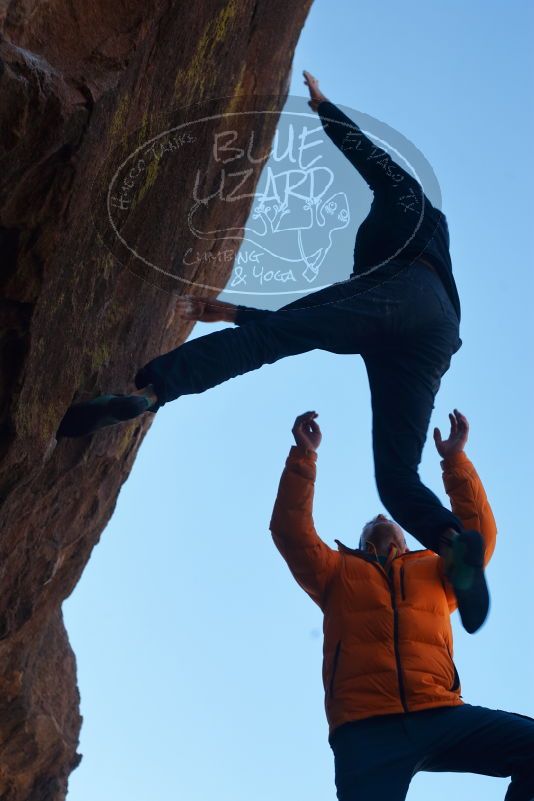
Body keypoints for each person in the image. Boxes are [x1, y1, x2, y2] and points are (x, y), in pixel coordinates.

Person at [57, 72, 489, 632]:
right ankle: (453, 544)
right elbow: (321, 317)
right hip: (429, 337)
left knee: (272, 343)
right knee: (395, 477)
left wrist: (324, 108)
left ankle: (151, 391)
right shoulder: (423, 241)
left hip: (408, 296)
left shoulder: (415, 209)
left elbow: (370, 158)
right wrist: (236, 311)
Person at [272, 409, 533, 801]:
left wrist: (455, 460)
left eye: (388, 518)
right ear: (362, 543)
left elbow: (476, 538)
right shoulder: (335, 572)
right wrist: (304, 458)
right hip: (365, 727)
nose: (379, 515)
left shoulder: (435, 569)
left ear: (408, 539)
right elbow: (291, 532)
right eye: (370, 523)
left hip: (438, 711)